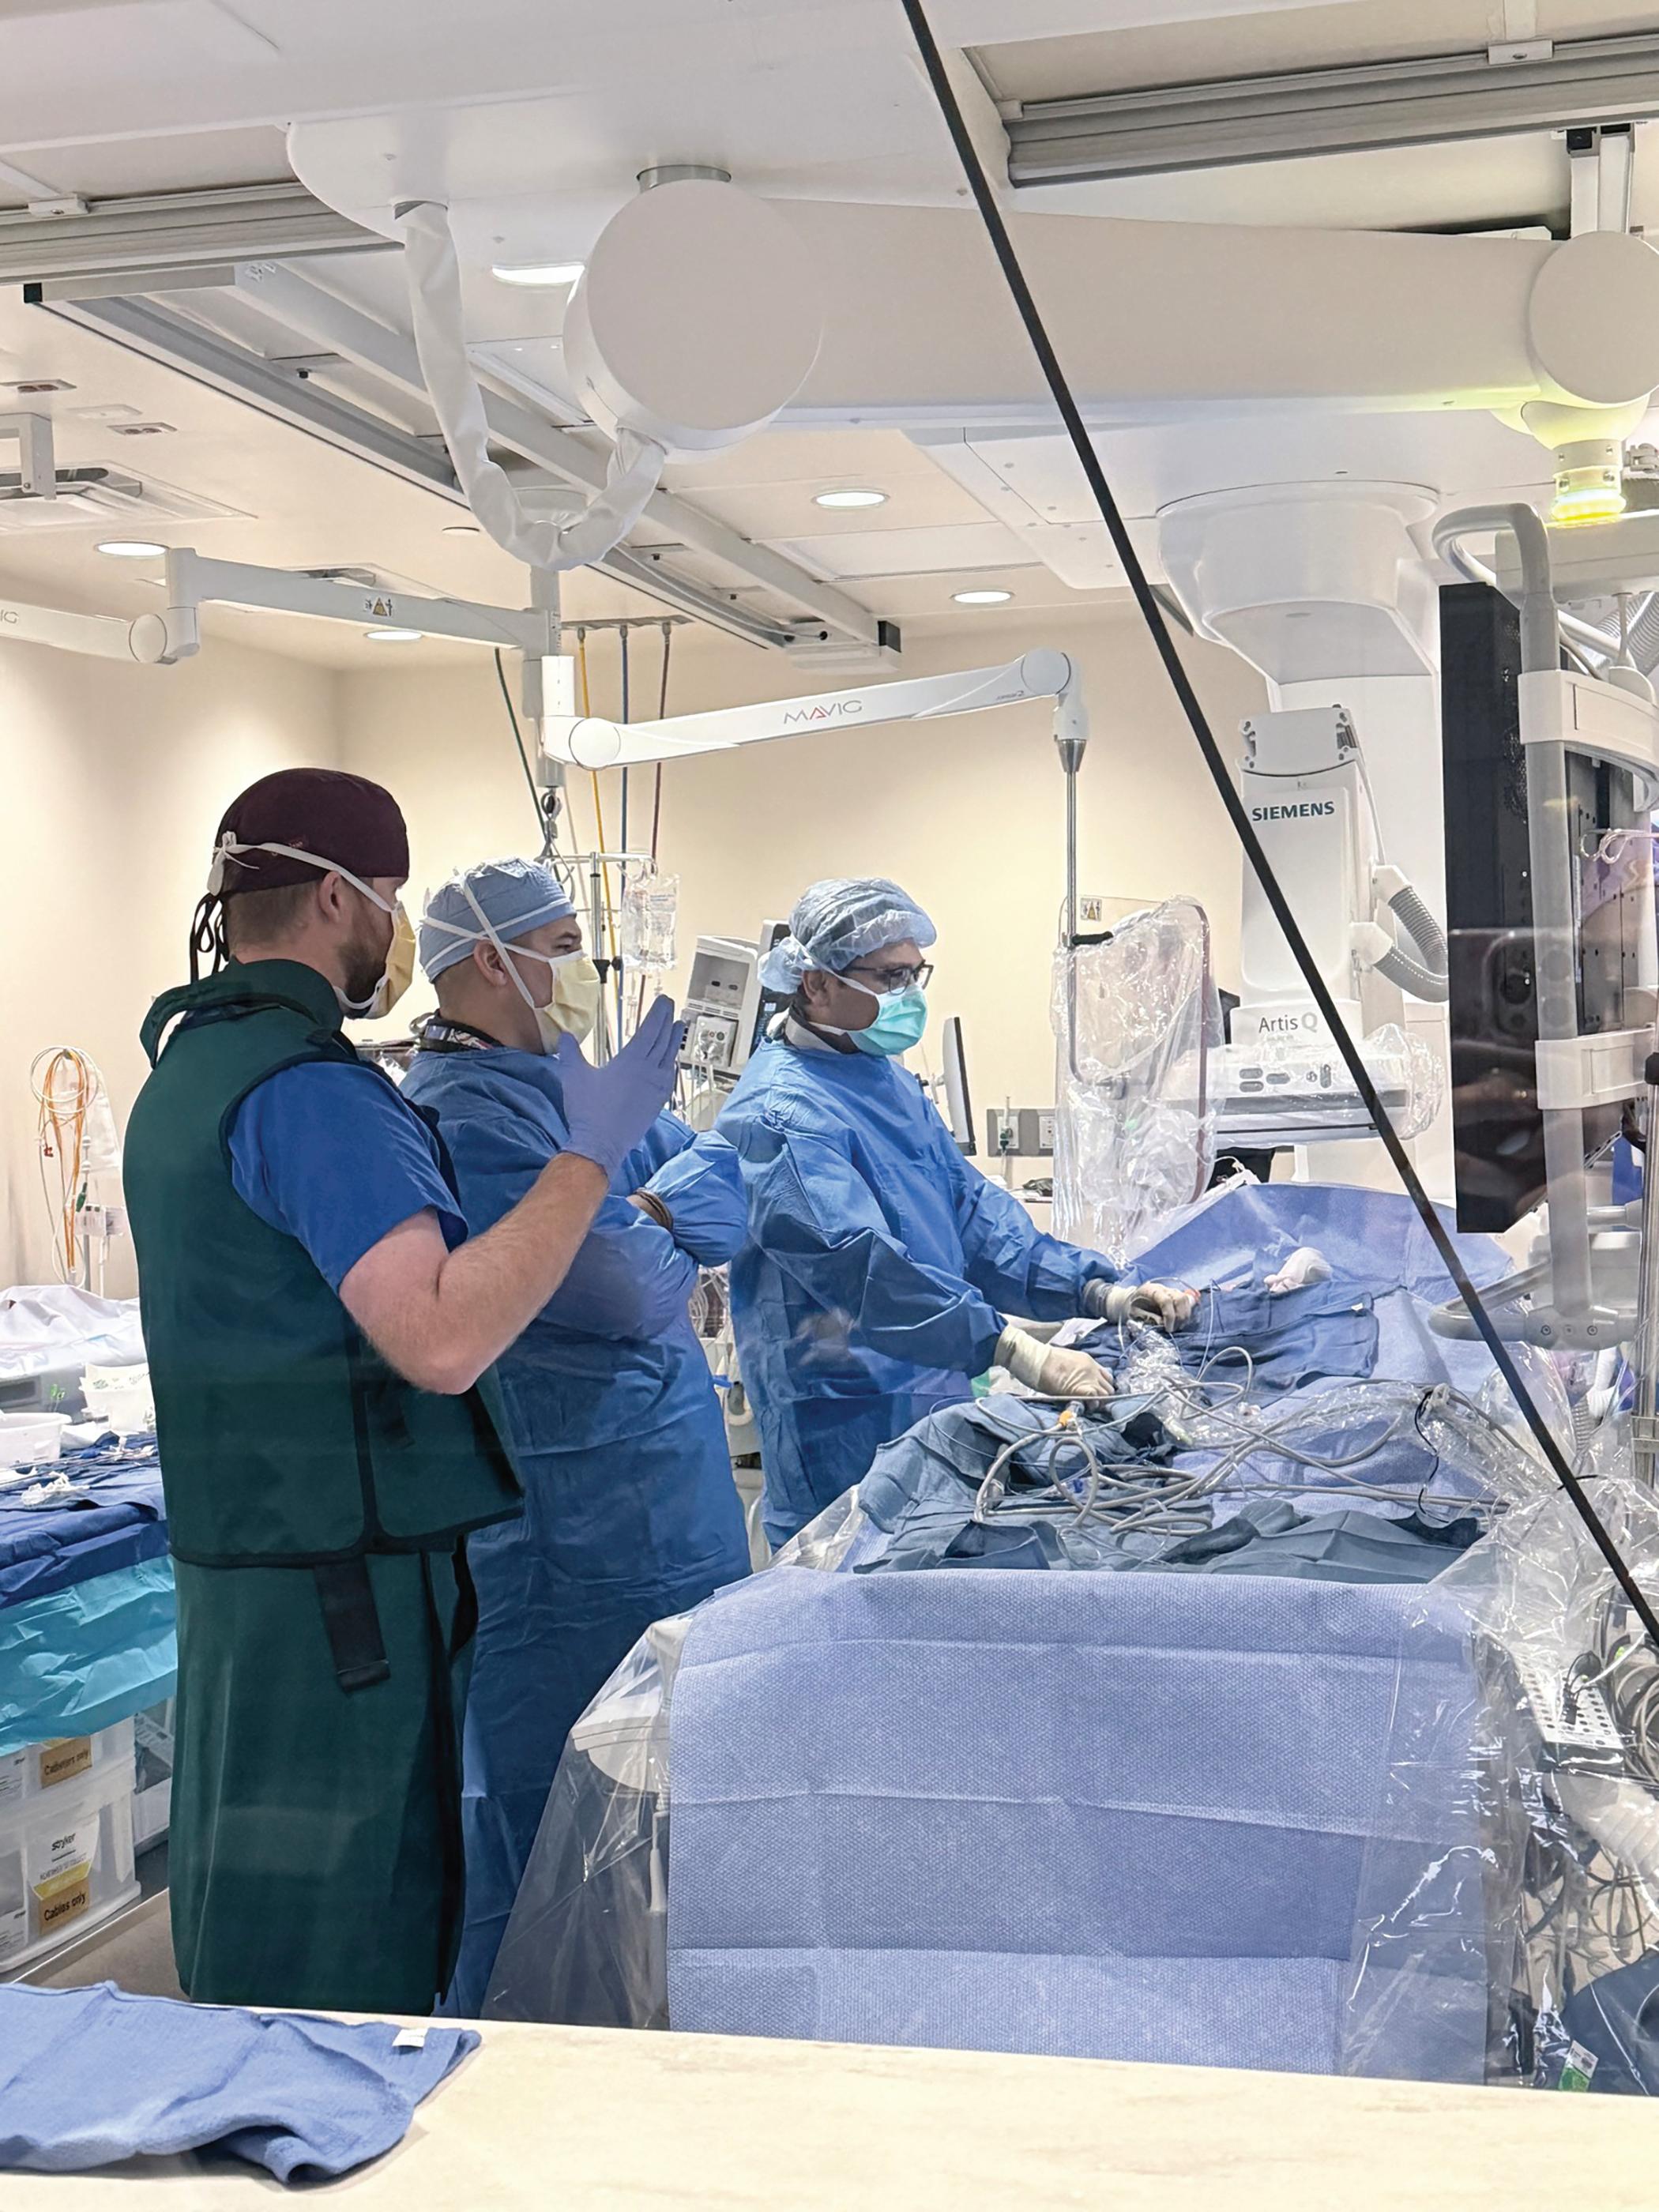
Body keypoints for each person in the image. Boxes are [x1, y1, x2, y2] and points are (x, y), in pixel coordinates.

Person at [122, 770, 683, 2015]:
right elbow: (440, 1338)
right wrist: (589, 1161)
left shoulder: (189, 1071)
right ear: (336, 897)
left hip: (251, 1571)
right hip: (342, 1601)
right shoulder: (313, 1094)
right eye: (388, 896)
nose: (396, 930)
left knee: (257, 1905)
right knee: (345, 1938)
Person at [401, 858, 750, 2014]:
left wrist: (636, 1209)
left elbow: (726, 1191)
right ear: (487, 959)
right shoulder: (463, 1117)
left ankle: (646, 2035)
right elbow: (632, 1289)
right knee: (550, 1833)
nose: (584, 966)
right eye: (559, 944)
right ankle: (516, 2055)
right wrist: (642, 1217)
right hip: (567, 1537)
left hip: (666, 1510)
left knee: (668, 1825)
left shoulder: (569, 1086)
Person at [717, 878, 1195, 1547]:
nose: (910, 995)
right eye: (890, 977)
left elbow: (974, 1218)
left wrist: (1097, 1291)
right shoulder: (779, 1114)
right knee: (861, 1592)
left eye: (916, 974)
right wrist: (1012, 1349)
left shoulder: (885, 1082)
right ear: (817, 984)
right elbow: (864, 1271)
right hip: (842, 1419)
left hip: (934, 1392)